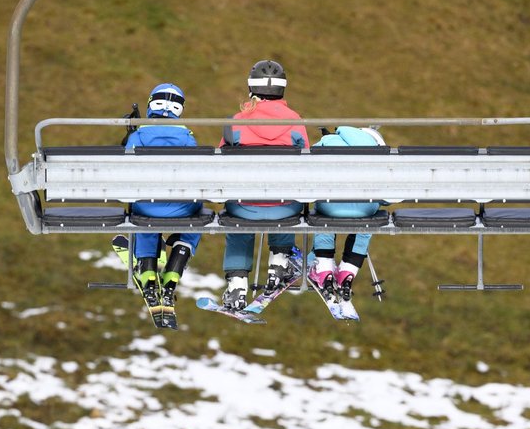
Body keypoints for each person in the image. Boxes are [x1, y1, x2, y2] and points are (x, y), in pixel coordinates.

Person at [219, 60, 311, 310]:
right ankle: (278, 265)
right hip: (284, 206)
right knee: (285, 200)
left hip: (244, 205)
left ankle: (237, 285)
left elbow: (221, 163)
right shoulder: (295, 121)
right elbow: (306, 163)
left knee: (239, 221)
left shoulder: (236, 121)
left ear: (251, 88)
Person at [115, 82, 201, 312]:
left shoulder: (140, 134)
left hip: (146, 207)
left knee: (143, 212)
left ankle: (147, 273)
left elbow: (126, 167)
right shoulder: (186, 136)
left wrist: (130, 136)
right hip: (182, 208)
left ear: (152, 104)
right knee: (198, 215)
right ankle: (173, 273)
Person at [308, 126, 387, 317]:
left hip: (329, 206)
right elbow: (388, 197)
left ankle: (324, 267)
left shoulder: (327, 142)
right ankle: (347, 273)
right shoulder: (380, 153)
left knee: (324, 216)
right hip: (365, 209)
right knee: (366, 223)